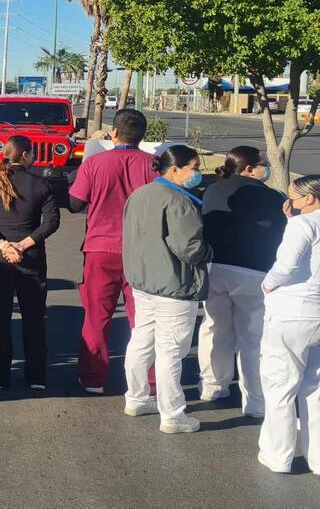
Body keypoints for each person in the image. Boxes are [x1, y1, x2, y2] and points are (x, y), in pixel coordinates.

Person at [122, 145, 212, 434]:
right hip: (175, 285)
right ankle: (172, 415)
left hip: (143, 281)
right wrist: (209, 251)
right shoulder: (180, 202)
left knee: (141, 342)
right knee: (171, 351)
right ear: (174, 170)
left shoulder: (139, 194)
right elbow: (190, 247)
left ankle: (136, 398)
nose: (198, 173)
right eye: (194, 167)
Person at [68, 109, 158, 394]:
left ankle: (93, 378)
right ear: (143, 136)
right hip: (142, 252)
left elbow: (75, 204)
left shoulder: (94, 163)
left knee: (96, 316)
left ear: (114, 133)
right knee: (144, 319)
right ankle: (150, 381)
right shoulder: (153, 165)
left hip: (100, 249)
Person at [200, 146, 285, 417]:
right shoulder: (273, 198)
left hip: (215, 267)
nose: (265, 168)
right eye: (262, 164)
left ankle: (212, 385)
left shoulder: (212, 189)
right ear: (249, 169)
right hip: (254, 271)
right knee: (253, 338)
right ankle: (255, 400)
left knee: (214, 328)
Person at [0, 136, 60, 390]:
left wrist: (3, 245)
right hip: (31, 257)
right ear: (26, 155)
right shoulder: (41, 184)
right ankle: (36, 376)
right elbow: (51, 222)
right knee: (34, 317)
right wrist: (23, 244)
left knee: (0, 318)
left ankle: (0, 374)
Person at [257, 174, 320, 474]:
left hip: (292, 311)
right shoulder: (303, 222)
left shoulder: (302, 224)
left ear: (310, 198)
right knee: (315, 387)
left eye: (292, 198)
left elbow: (288, 264)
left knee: (280, 385)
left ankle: (278, 454)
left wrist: (268, 284)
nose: (288, 204)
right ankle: (317, 457)